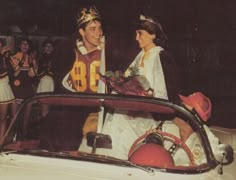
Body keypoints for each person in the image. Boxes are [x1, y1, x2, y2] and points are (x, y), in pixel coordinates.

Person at [95, 14, 180, 158]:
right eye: (136, 34)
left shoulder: (162, 56)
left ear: (153, 35)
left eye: (140, 34)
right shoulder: (140, 55)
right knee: (115, 119)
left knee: (121, 126)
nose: (136, 38)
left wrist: (148, 98)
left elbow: (169, 92)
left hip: (150, 115)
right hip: (131, 109)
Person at [60, 6, 106, 151]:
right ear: (81, 32)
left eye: (99, 28)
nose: (98, 33)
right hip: (74, 110)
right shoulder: (68, 53)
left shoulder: (109, 53)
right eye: (93, 29)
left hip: (101, 111)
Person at [8, 38, 38, 132]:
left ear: (29, 47)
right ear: (19, 46)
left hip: (27, 90)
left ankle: (23, 135)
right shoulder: (13, 57)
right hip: (16, 90)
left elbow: (32, 75)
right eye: (23, 43)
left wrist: (31, 63)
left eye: (27, 44)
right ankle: (13, 135)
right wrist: (23, 59)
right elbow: (15, 73)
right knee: (14, 116)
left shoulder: (32, 58)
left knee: (26, 117)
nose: (25, 45)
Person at [0, 38, 15, 143]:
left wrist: (5, 57)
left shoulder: (6, 57)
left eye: (1, 45)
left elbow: (11, 73)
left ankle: (1, 141)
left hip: (5, 88)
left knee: (3, 117)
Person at [36, 39, 56, 118]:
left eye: (50, 46)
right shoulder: (40, 58)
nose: (48, 48)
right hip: (44, 83)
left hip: (52, 83)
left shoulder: (56, 58)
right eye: (46, 46)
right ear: (43, 48)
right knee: (44, 108)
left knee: (49, 108)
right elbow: (38, 74)